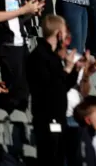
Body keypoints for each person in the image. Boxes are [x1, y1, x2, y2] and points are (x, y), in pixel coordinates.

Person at [26, 15, 81, 166]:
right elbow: (51, 86)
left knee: (60, 157)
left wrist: (74, 70)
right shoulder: (39, 56)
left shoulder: (53, 56)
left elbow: (63, 87)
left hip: (59, 117)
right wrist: (67, 69)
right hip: (47, 117)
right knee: (50, 158)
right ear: (59, 33)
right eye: (64, 32)